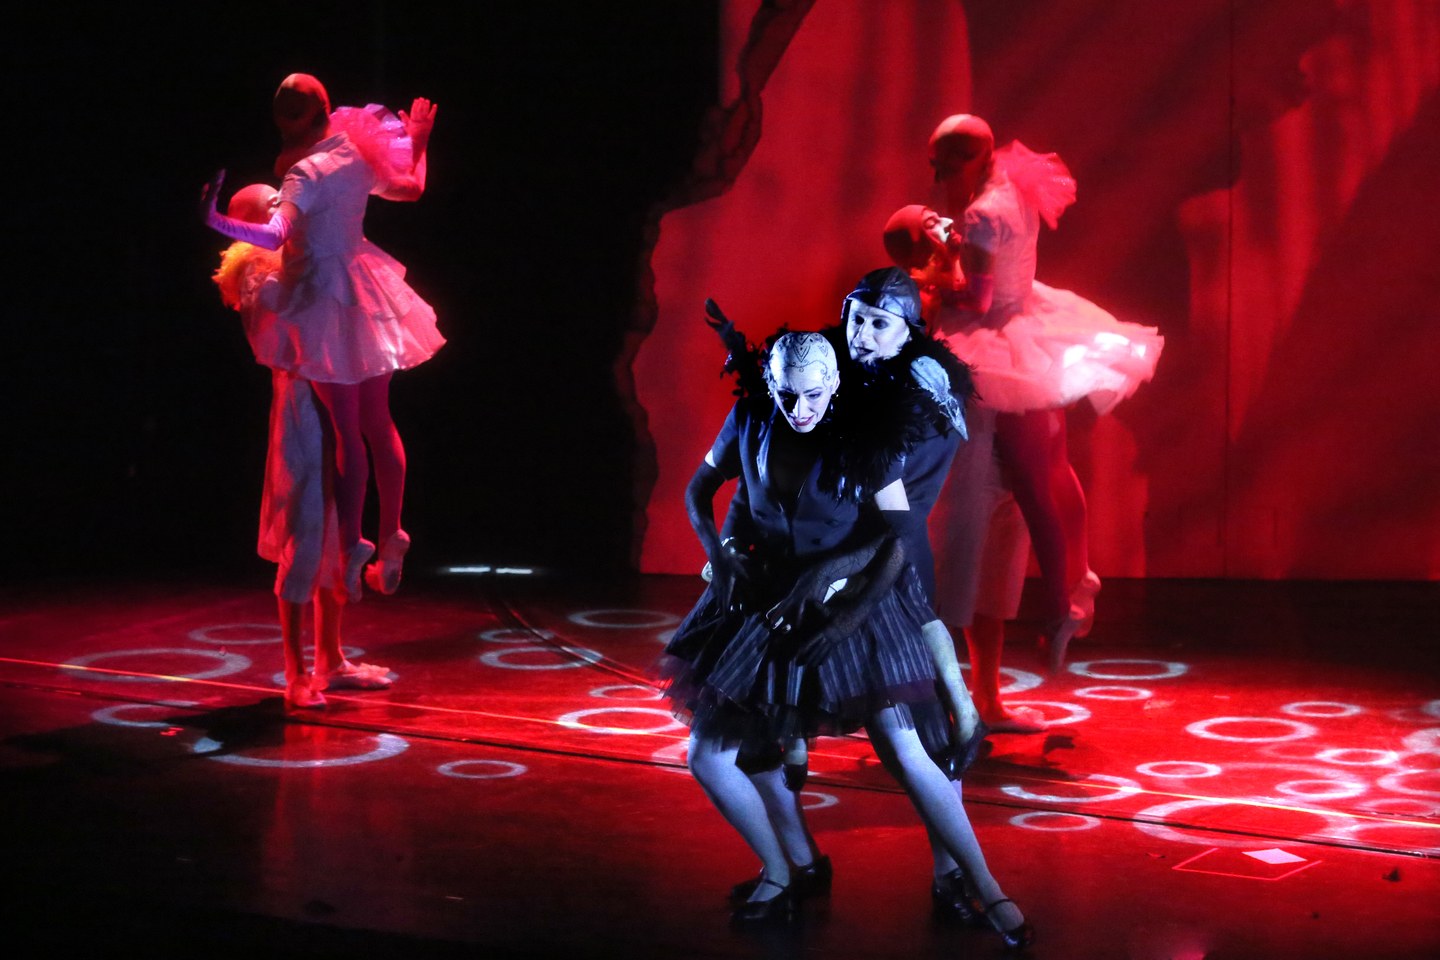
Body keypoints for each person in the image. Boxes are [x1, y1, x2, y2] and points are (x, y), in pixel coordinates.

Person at [663, 331, 1032, 948]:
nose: (799, 408)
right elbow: (708, 491)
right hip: (766, 598)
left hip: (855, 602)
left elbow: (898, 534)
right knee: (713, 756)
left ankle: (984, 886)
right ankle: (783, 869)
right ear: (771, 384)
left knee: (908, 747)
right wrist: (722, 553)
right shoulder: (752, 416)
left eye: (812, 395)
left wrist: (842, 608)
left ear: (834, 385)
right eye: (787, 394)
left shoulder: (865, 436)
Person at [918, 114, 1162, 675]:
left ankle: (1060, 604)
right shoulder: (1013, 182)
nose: (936, 174)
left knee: (1033, 482)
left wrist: (930, 281)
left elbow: (977, 300)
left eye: (946, 164)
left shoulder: (982, 213)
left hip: (1000, 339)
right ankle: (1078, 579)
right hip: (1029, 319)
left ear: (976, 159)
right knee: (1054, 466)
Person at [203, 74, 444, 602]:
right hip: (363, 288)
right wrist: (420, 140)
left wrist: (218, 220)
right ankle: (393, 533)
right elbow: (411, 188)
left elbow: (274, 235)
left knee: (347, 431)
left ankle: (353, 542)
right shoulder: (356, 154)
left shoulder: (304, 174)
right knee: (379, 423)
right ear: (327, 110)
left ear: (283, 123)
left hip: (320, 299)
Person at [210, 184, 393, 708]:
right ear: (247, 224)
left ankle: (330, 659)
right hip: (301, 410)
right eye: (271, 206)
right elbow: (292, 316)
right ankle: (295, 673)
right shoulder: (254, 269)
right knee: (306, 530)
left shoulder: (300, 256)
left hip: (333, 394)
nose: (284, 210)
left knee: (337, 529)